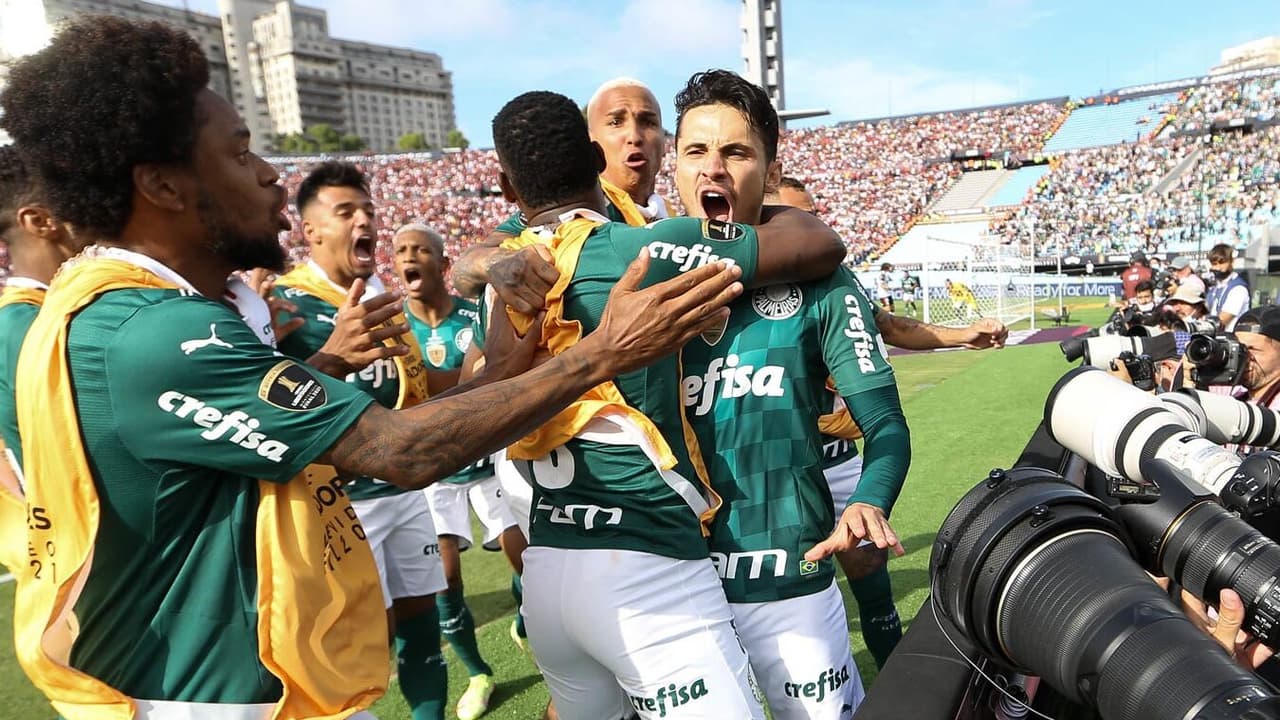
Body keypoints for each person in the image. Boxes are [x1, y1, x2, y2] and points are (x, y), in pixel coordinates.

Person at [1, 17, 747, 719]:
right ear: (160, 187)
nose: (267, 174)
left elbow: (343, 440)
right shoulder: (150, 332)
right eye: (238, 152)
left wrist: (496, 377)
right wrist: (604, 353)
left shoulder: (123, 310)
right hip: (195, 698)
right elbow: (396, 451)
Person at [490, 88, 847, 720]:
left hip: (546, 568)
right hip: (646, 561)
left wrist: (480, 262)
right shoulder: (647, 249)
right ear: (598, 161)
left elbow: (484, 386)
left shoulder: (506, 282)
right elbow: (815, 240)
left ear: (506, 188)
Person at [672, 69, 911, 717]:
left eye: (736, 152)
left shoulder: (824, 287)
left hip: (791, 581)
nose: (713, 168)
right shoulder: (639, 276)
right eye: (696, 150)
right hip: (672, 588)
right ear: (675, 166)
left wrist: (868, 498)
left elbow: (886, 425)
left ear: (769, 170)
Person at [393, 220, 524, 720]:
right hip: (435, 475)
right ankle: (477, 673)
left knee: (527, 564)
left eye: (421, 249)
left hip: (489, 462)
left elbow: (492, 374)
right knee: (445, 581)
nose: (410, 257)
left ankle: (525, 621)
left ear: (443, 265)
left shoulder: (475, 313)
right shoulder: (393, 324)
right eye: (402, 249)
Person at [453, 77, 673, 310]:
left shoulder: (669, 212)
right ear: (592, 141)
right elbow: (464, 269)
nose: (634, 136)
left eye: (648, 122)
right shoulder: (565, 213)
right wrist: (494, 262)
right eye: (616, 122)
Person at [0, 146, 86, 571]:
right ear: (41, 221)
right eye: (80, 195)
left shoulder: (32, 316)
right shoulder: (27, 324)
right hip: (78, 577)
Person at [1206, 243, 1250, 331]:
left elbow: (1222, 320)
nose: (1218, 268)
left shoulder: (1238, 288)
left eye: (1222, 263)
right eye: (1214, 264)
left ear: (1231, 261)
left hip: (1231, 338)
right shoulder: (1215, 287)